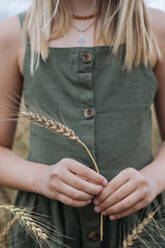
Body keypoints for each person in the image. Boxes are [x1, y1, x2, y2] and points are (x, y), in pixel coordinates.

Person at [0, 0, 165, 247]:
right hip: (46, 230)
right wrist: (41, 177)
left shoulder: (154, 28)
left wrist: (154, 179)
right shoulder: (14, 34)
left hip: (141, 225)